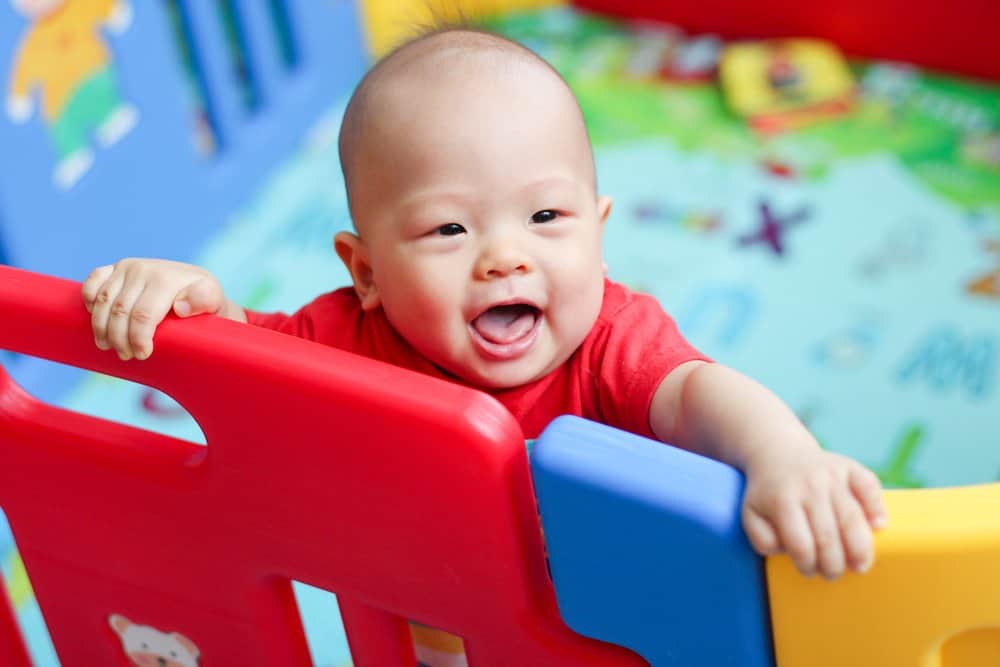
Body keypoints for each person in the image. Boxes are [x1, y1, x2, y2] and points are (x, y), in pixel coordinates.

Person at [82, 25, 886, 590]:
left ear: (599, 238)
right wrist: (189, 302)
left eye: (545, 218)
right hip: (425, 619)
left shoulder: (609, 339)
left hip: (600, 617)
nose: (505, 255)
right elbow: (244, 367)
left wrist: (784, 456)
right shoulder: (349, 335)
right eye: (448, 228)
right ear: (365, 271)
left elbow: (696, 393)